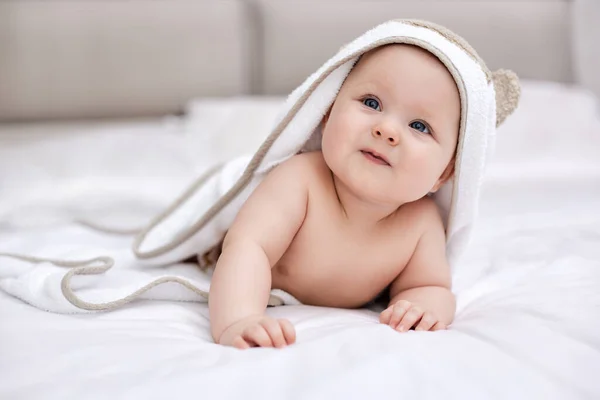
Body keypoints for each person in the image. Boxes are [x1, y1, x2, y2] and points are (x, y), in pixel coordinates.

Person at [209, 43, 460, 349]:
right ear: (327, 114)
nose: (387, 129)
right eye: (371, 102)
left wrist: (420, 307)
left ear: (443, 174)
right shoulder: (300, 181)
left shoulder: (420, 223)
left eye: (419, 126)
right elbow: (248, 247)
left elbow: (430, 286)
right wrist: (239, 319)